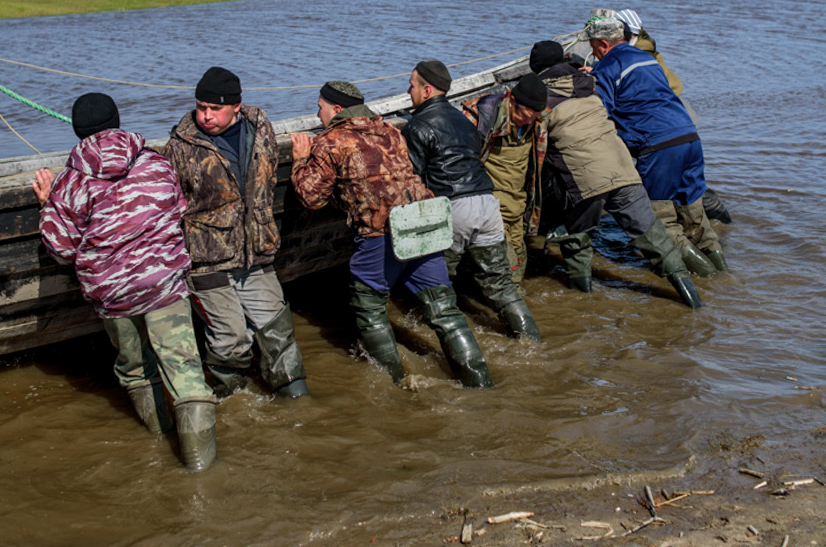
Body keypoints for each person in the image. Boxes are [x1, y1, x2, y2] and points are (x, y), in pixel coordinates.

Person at [32, 92, 217, 472]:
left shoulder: (70, 182)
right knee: (185, 373)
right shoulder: (154, 162)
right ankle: (200, 467)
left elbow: (61, 250)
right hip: (164, 285)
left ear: (77, 130)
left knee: (136, 369)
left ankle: (158, 439)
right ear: (117, 121)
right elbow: (178, 208)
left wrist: (47, 205)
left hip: (113, 294)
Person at [288, 81, 493, 387]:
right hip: (422, 222)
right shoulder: (390, 130)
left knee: (367, 303)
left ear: (338, 110)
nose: (318, 113)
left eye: (321, 107)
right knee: (443, 309)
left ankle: (394, 384)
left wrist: (299, 160)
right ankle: (479, 381)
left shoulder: (332, 140)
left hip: (380, 232)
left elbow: (311, 198)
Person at [165, 67, 309, 400]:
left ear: (236, 106)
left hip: (255, 252)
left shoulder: (260, 128)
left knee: (278, 330)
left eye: (214, 109)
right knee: (231, 339)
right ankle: (235, 403)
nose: (205, 116)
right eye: (201, 107)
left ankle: (298, 400)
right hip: (206, 260)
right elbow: (170, 203)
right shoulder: (181, 145)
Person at [528, 42, 703, 309]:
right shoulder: (591, 85)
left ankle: (581, 301)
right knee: (654, 238)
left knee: (577, 239)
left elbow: (536, 149)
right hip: (625, 172)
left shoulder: (541, 99)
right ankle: (693, 300)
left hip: (585, 181)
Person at [402, 60, 542, 341]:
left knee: (438, 283)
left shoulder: (418, 126)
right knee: (500, 284)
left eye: (412, 86)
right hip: (488, 204)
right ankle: (532, 341)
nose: (408, 91)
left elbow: (412, 180)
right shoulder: (463, 122)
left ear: (426, 90)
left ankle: (441, 341)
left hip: (455, 206)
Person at [584, 11, 726, 275]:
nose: (594, 55)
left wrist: (593, 79)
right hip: (689, 138)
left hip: (660, 147)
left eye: (595, 50)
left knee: (661, 221)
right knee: (695, 217)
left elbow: (601, 111)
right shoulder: (647, 59)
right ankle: (725, 277)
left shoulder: (606, 67)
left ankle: (710, 281)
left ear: (603, 44)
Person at [613, 7, 732, 226]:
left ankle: (692, 226)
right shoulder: (645, 50)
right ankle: (718, 226)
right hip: (678, 120)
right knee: (686, 184)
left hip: (665, 126)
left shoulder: (634, 55)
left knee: (671, 185)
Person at [460, 73, 549, 289]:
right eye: (523, 115)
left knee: (519, 262)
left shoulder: (536, 123)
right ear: (511, 100)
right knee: (506, 268)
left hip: (517, 209)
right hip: (491, 210)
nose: (528, 121)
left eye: (533, 117)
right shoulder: (481, 118)